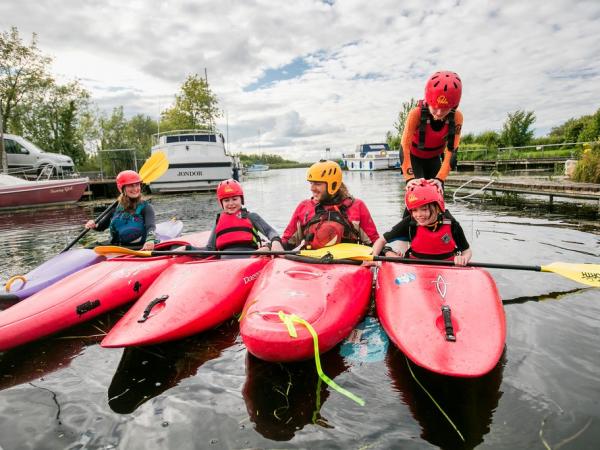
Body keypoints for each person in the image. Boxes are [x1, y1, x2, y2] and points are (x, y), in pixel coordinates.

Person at [281, 160, 379, 250]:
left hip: (347, 265)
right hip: (312, 265)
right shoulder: (304, 207)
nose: (312, 188)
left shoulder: (357, 206)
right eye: (311, 183)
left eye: (317, 184)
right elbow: (287, 242)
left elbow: (374, 243)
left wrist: (386, 250)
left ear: (333, 185)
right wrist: (272, 244)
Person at [372, 179, 472, 266]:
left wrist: (463, 258)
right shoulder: (410, 223)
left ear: (437, 207)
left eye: (424, 209)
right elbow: (381, 241)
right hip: (416, 272)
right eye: (414, 210)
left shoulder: (452, 224)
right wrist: (374, 257)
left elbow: (467, 251)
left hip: (446, 270)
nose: (418, 215)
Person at [401, 70, 463, 192]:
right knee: (417, 193)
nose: (439, 113)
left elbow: (451, 151)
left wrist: (440, 179)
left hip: (434, 159)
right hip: (414, 158)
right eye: (435, 107)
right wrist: (409, 179)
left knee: (437, 193)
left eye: (445, 109)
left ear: (453, 106)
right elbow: (404, 146)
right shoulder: (416, 114)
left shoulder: (457, 117)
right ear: (428, 101)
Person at [201, 178, 284, 257]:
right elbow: (209, 249)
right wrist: (189, 248)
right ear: (221, 203)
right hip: (225, 262)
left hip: (252, 258)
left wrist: (275, 241)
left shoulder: (251, 217)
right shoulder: (219, 221)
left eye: (234, 199)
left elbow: (270, 232)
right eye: (226, 200)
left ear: (241, 199)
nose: (231, 203)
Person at [85, 170, 157, 251]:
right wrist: (93, 225)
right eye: (131, 186)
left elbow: (151, 227)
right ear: (122, 188)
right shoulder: (115, 208)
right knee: (87, 248)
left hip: (140, 247)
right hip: (118, 247)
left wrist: (150, 240)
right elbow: (101, 227)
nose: (135, 188)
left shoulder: (146, 207)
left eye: (137, 185)